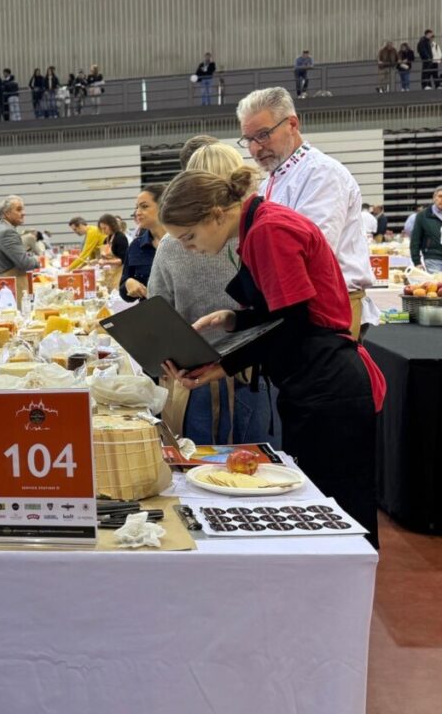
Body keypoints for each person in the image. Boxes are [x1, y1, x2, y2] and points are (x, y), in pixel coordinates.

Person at [159, 166, 386, 546]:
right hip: (314, 376)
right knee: (328, 506)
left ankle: (344, 597)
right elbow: (287, 310)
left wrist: (222, 367)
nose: (187, 248)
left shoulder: (268, 230)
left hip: (328, 380)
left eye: (189, 237)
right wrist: (235, 319)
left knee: (340, 514)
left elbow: (292, 323)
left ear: (216, 214)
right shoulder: (259, 227)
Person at [149, 141, 280, 447]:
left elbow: (158, 310)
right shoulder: (257, 233)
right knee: (258, 472)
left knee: (197, 471)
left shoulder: (172, 243)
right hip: (254, 375)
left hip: (194, 379)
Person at [236, 87, 378, 338]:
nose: (256, 149)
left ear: (292, 123)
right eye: (248, 140)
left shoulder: (322, 174)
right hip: (294, 307)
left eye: (263, 135)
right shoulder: (270, 180)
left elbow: (314, 256)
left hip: (331, 308)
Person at [0, 195, 39, 302]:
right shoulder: (7, 232)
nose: (23, 213)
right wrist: (37, 260)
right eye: (19, 209)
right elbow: (25, 263)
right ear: (7, 213)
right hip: (2, 287)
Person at [119, 184, 166, 302]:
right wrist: (129, 283)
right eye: (137, 208)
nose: (137, 213)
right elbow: (124, 291)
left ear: (163, 206)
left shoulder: (185, 242)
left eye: (144, 206)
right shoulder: (136, 246)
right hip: (149, 315)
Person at [409, 186, 442, 272]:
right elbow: (415, 240)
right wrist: (417, 262)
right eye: (440, 196)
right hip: (432, 257)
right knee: (437, 283)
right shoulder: (422, 216)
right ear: (434, 198)